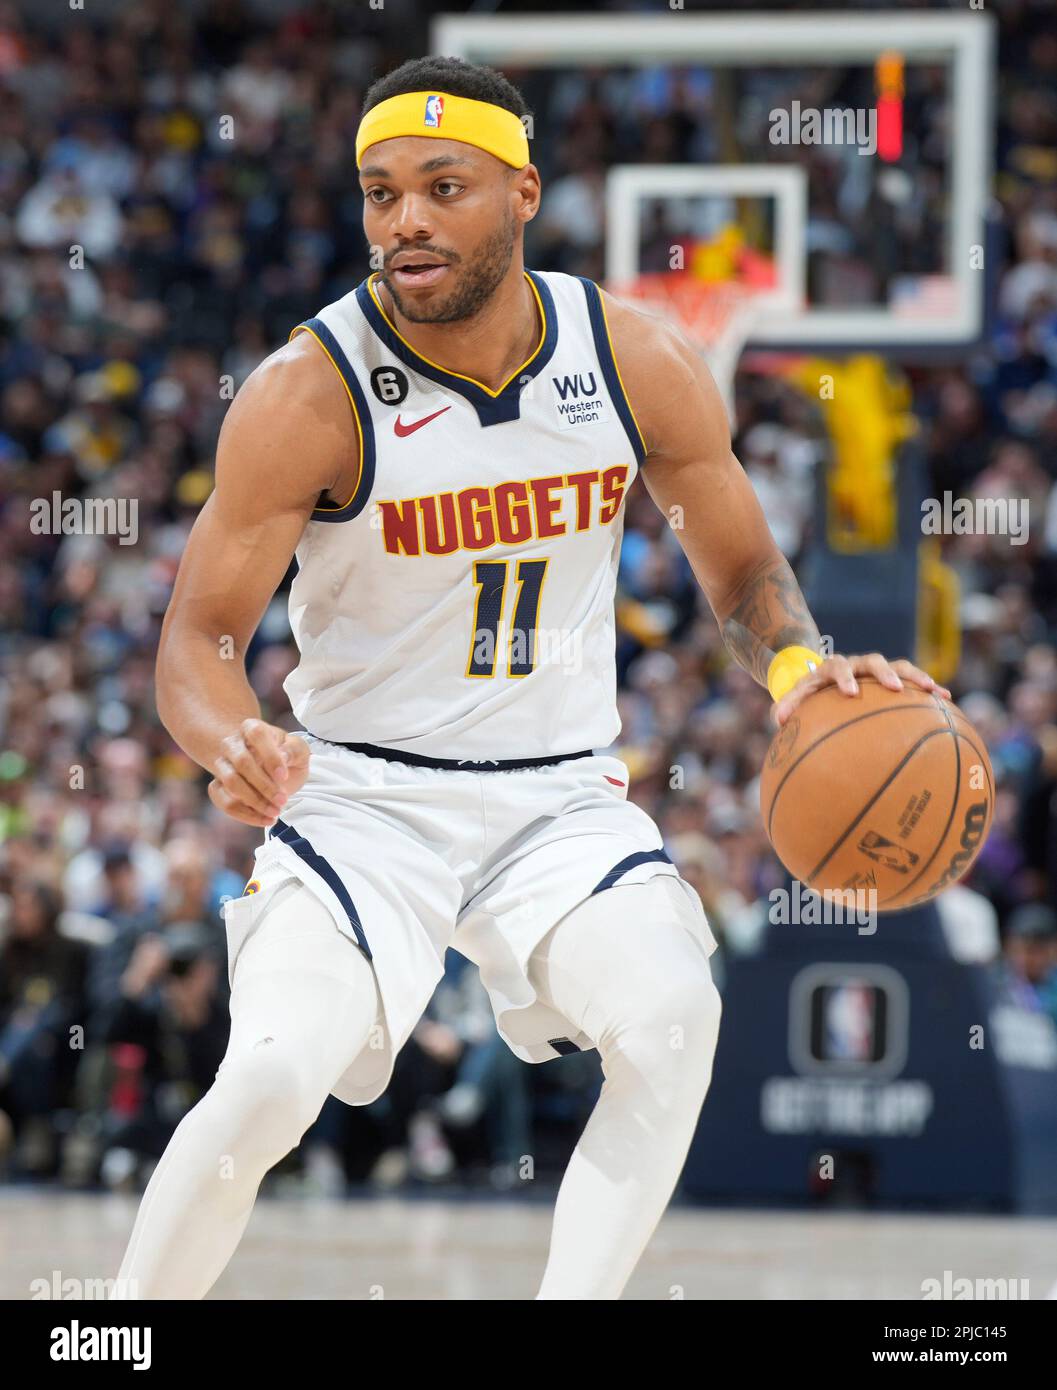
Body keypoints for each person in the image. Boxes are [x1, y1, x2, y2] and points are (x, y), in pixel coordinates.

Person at [113, 55, 945, 1300]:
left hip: (556, 796)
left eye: (442, 188)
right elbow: (196, 640)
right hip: (360, 797)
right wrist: (231, 736)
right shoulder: (308, 392)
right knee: (272, 1078)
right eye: (380, 191)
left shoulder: (633, 358)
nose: (404, 219)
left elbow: (741, 572)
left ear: (521, 194)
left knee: (674, 1021)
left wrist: (799, 675)